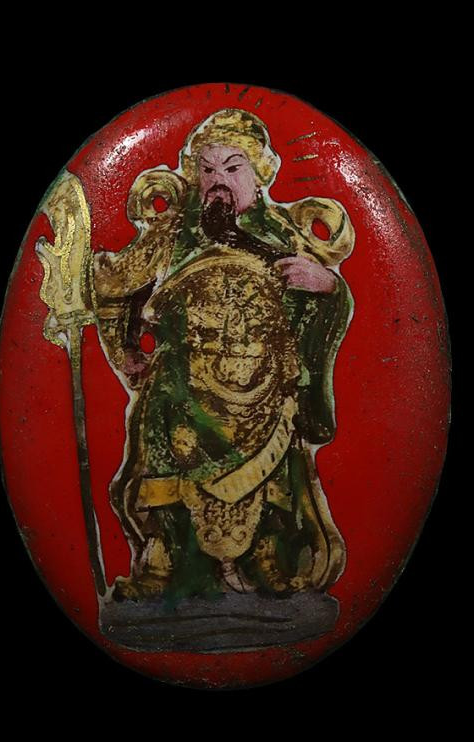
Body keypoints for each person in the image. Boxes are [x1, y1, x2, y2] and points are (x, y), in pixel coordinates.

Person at [91, 109, 355, 604]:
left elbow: (326, 302)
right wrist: (125, 351)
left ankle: (264, 554)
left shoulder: (285, 235)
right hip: (181, 390)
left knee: (273, 467)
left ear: (259, 175)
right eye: (208, 169)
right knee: (167, 452)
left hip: (263, 390)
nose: (219, 181)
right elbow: (112, 286)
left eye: (233, 168)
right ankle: (164, 559)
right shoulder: (172, 235)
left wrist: (327, 287)